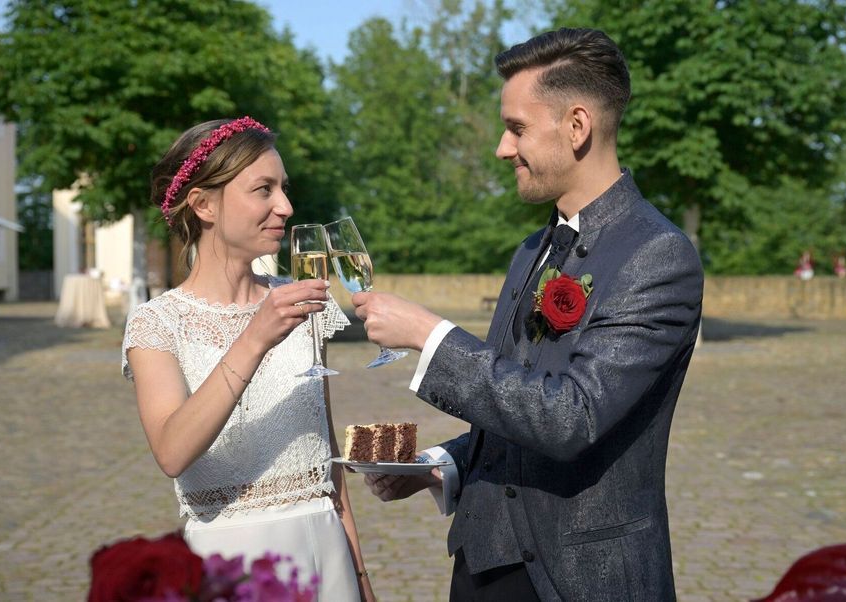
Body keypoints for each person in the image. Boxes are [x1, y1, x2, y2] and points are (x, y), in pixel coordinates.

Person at [353, 29, 703, 601]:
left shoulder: (658, 256)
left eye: (516, 128)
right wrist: (445, 464)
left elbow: (574, 416)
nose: (502, 147)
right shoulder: (531, 250)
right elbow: (523, 396)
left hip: (582, 580)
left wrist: (430, 336)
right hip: (483, 569)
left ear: (577, 127)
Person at [122, 117, 373, 601]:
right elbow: (172, 452)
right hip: (231, 565)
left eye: (284, 188)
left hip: (326, 554)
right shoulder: (157, 322)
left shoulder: (301, 304)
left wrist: (359, 576)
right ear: (203, 204)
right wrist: (255, 337)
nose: (286, 206)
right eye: (264, 189)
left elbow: (325, 459)